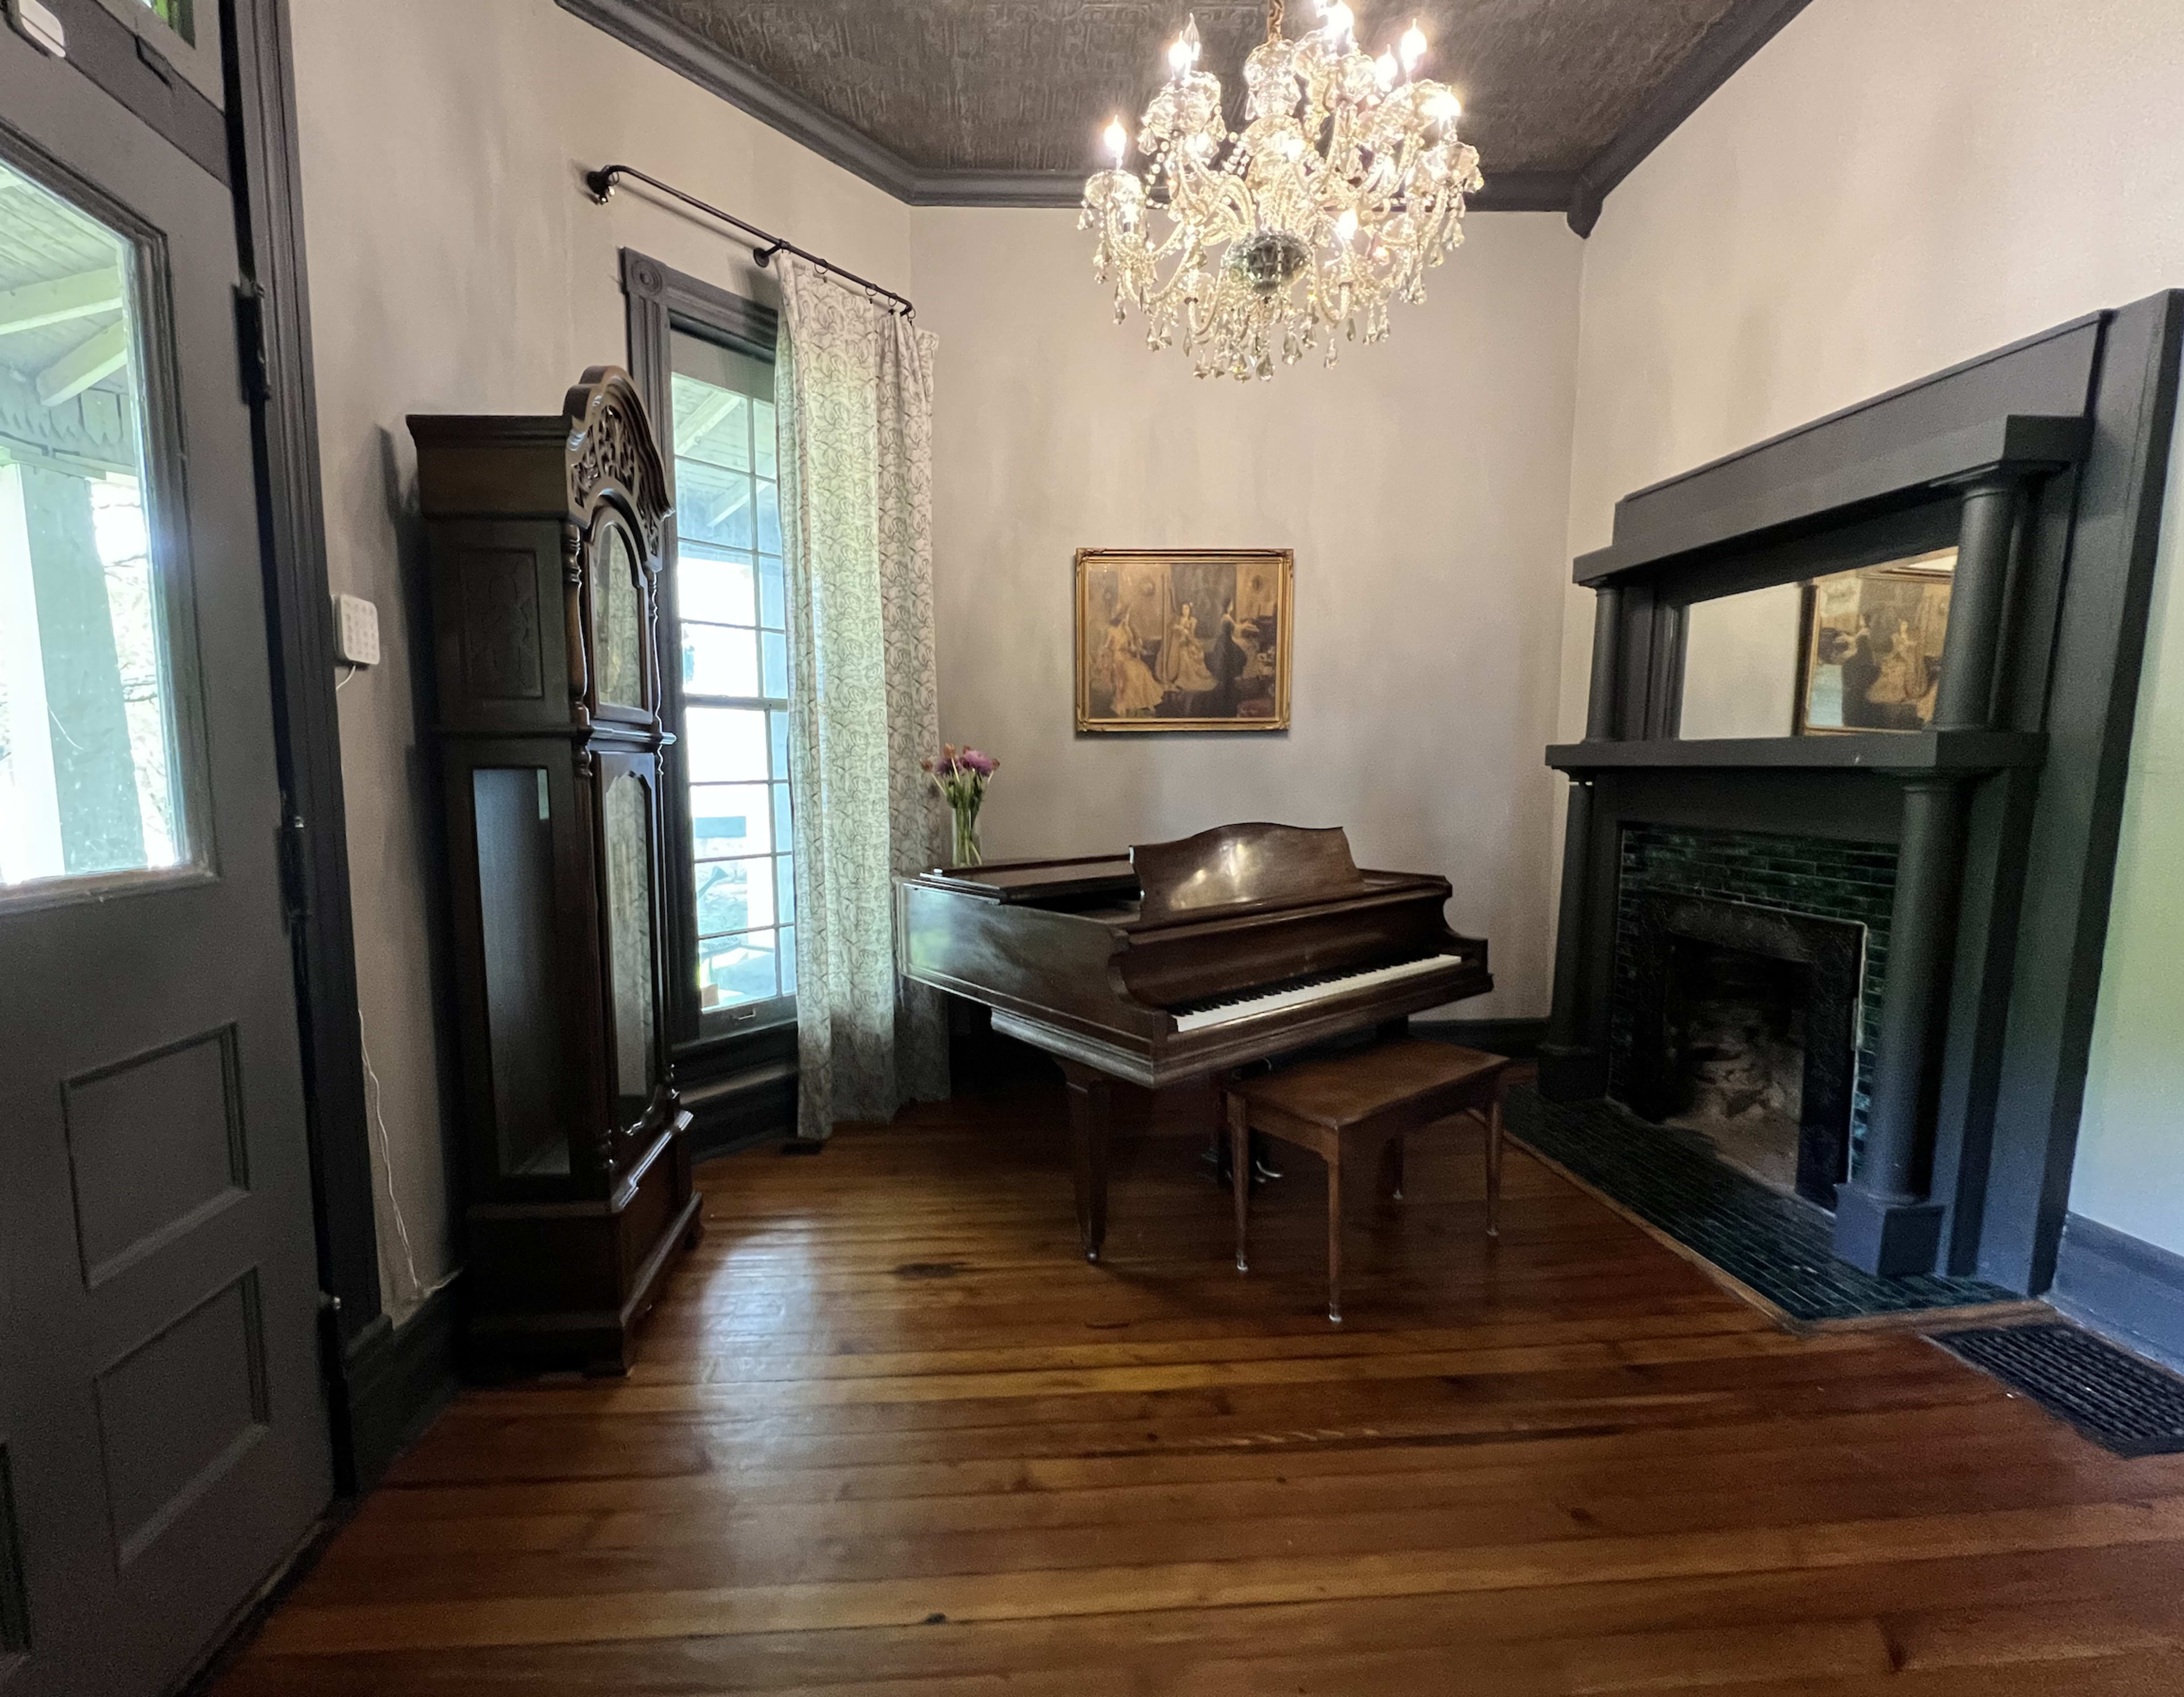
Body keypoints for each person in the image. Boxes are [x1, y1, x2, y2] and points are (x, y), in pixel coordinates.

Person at [1102, 614, 1165, 715]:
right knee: (1131, 672)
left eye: (1126, 619)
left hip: (1127, 657)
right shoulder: (1112, 631)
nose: (1125, 621)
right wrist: (1108, 655)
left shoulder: (1127, 632)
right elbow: (1106, 646)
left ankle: (1147, 701)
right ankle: (1130, 703)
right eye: (1124, 619)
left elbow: (1132, 647)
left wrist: (1136, 649)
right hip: (1118, 659)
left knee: (1141, 669)